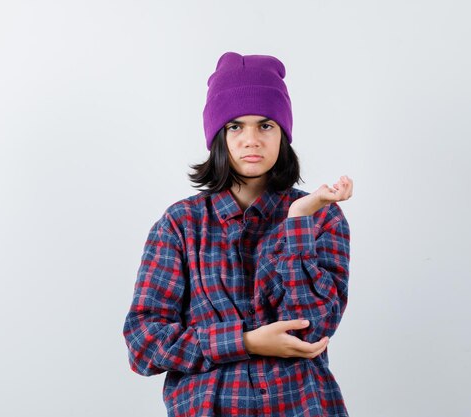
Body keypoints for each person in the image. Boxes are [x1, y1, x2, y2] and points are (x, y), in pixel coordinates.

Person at [122, 51, 354, 417]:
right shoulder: (180, 224)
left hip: (303, 407)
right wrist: (244, 342)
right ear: (218, 135)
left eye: (265, 125)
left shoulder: (319, 215)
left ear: (283, 134)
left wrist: (297, 221)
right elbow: (143, 344)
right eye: (235, 126)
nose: (251, 140)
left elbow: (315, 329)